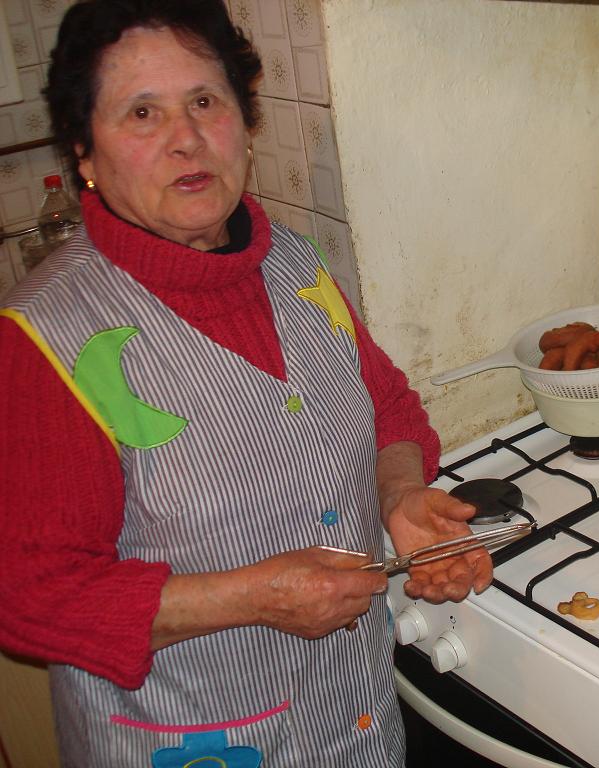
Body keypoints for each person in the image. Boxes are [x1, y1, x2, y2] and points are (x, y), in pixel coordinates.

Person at [0, 1, 492, 765]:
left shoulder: (293, 264)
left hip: (355, 725)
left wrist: (399, 497)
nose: (186, 138)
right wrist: (248, 598)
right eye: (142, 113)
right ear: (85, 154)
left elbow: (386, 408)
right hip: (190, 740)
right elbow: (29, 593)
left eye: (204, 100)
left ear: (243, 119)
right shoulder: (45, 340)